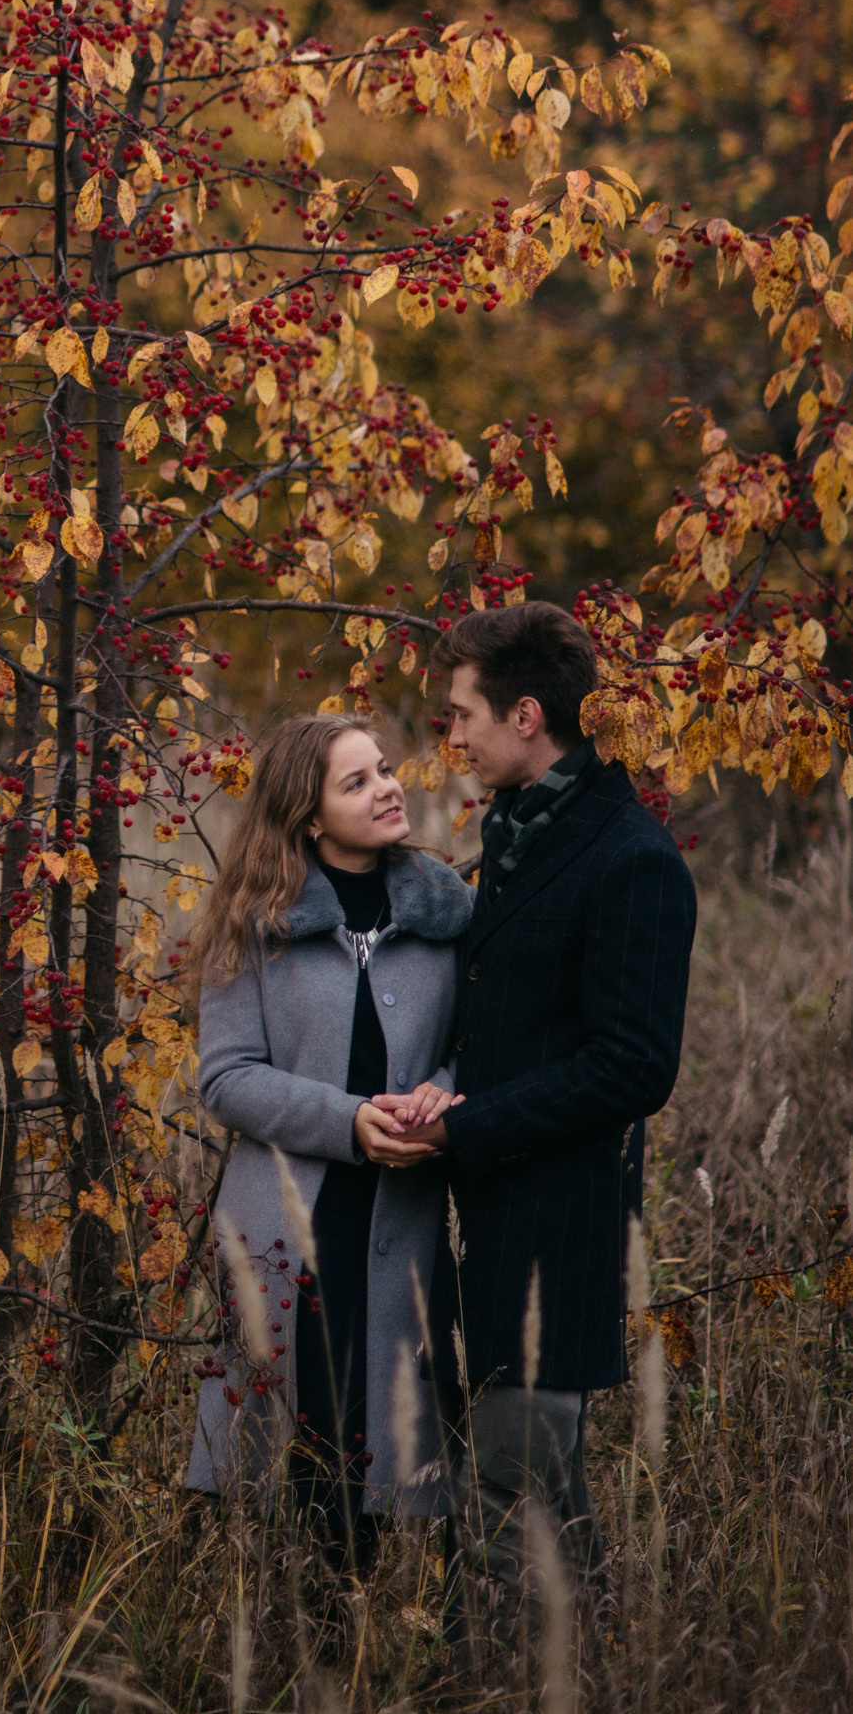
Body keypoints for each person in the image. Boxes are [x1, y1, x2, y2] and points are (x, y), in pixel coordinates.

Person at [381, 601, 697, 1621]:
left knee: (509, 1514)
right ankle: (566, 1670)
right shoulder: (520, 831)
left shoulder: (631, 859)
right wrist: (448, 1080)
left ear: (525, 715)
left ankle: (519, 1682)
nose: (451, 735)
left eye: (460, 712)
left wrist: (463, 1124)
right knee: (533, 1516)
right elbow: (522, 1016)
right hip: (478, 1231)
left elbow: (630, 1068)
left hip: (555, 1235)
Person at [184, 714, 473, 1557]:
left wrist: (441, 1099)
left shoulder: (446, 912)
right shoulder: (253, 922)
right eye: (357, 782)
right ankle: (309, 1645)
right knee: (302, 1474)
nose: (388, 788)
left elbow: (476, 1049)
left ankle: (390, 1650)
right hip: (287, 1233)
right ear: (308, 816)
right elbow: (226, 1076)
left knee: (397, 1456)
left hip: (410, 1223)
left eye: (384, 770)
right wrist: (348, 1119)